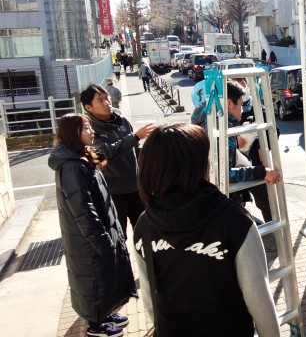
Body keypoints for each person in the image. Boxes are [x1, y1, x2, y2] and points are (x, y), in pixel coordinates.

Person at [133, 122, 280, 337]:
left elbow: (148, 295)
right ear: (196, 166)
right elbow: (259, 299)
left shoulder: (144, 224)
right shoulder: (233, 219)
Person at [48, 113, 137, 337]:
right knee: (95, 280)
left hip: (98, 234)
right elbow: (83, 211)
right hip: (89, 240)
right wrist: (101, 240)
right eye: (86, 127)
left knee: (104, 277)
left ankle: (104, 314)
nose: (92, 131)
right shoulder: (72, 167)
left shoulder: (81, 159)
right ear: (73, 134)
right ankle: (96, 325)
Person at [80, 84, 155, 239]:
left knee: (147, 234)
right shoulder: (91, 130)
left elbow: (135, 151)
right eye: (100, 100)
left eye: (106, 97)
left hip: (137, 189)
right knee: (118, 237)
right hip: (113, 194)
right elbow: (103, 154)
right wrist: (134, 137)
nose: (107, 102)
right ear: (89, 107)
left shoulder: (122, 122)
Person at [226, 80, 281, 266]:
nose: (242, 110)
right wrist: (261, 171)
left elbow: (274, 131)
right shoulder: (223, 127)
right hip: (227, 199)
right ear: (229, 103)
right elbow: (225, 173)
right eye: (240, 105)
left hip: (232, 193)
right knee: (271, 244)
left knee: (266, 208)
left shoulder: (203, 117)